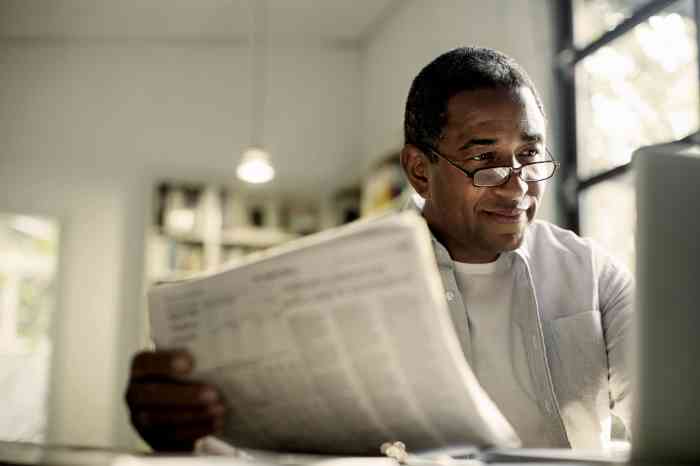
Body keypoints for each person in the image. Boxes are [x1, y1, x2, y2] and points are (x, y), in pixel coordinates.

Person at [126, 46, 633, 452]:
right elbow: (250, 446)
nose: (517, 185)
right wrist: (180, 428)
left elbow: (675, 412)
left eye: (528, 154)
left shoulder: (593, 274)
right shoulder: (334, 279)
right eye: (485, 158)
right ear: (418, 171)